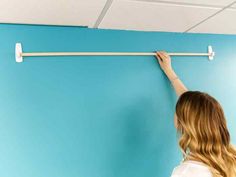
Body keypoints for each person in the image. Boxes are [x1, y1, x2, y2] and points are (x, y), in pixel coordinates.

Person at [155, 51, 236, 177]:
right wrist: (170, 73)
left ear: (183, 123)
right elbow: (196, 107)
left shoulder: (185, 172)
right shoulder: (231, 157)